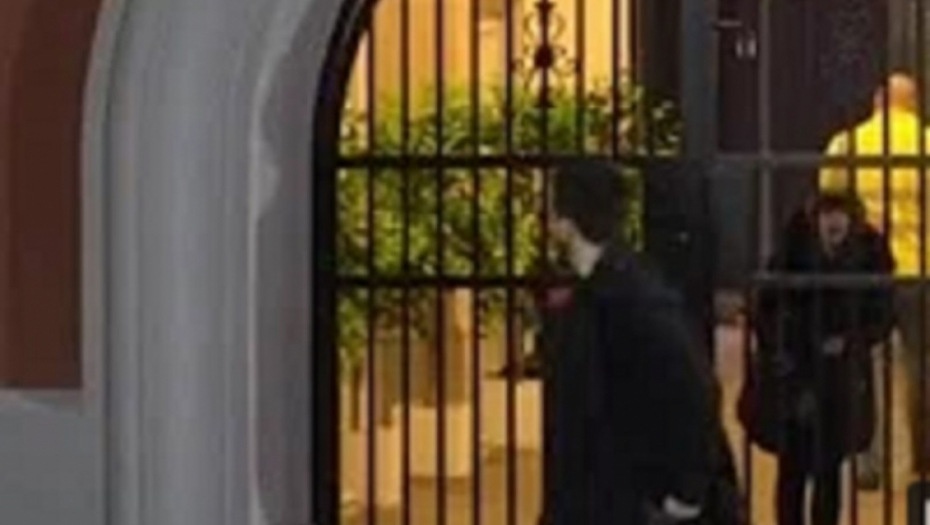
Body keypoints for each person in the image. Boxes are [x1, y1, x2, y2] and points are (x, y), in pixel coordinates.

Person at [542, 159, 729, 525]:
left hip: (621, 498)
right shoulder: (613, 286)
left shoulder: (628, 294)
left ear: (568, 218)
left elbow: (694, 388)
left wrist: (684, 494)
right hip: (604, 495)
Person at [744, 193, 895, 525]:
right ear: (815, 217)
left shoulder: (869, 251)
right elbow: (765, 308)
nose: (834, 220)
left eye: (840, 213)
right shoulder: (792, 247)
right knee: (793, 469)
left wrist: (852, 340)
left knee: (828, 468)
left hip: (840, 375)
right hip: (796, 371)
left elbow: (883, 312)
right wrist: (786, 344)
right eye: (827, 212)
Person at [820, 72, 930, 487]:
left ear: (878, 99)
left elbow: (829, 201)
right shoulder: (926, 143)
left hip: (865, 271)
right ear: (914, 102)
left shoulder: (847, 144)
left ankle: (870, 461)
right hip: (920, 269)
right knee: (921, 366)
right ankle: (924, 458)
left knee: (866, 369)